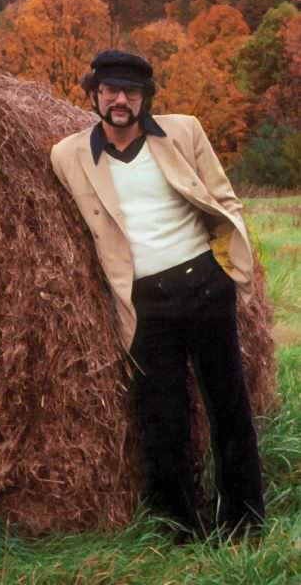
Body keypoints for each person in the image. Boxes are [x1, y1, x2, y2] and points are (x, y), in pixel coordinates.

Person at [50, 49, 265, 541]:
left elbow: (222, 195)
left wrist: (230, 267)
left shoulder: (183, 131)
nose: (120, 100)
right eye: (110, 91)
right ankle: (179, 529)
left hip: (205, 285)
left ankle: (245, 521)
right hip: (144, 302)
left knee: (228, 405)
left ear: (146, 97)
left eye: (131, 91)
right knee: (161, 417)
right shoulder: (69, 155)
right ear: (94, 96)